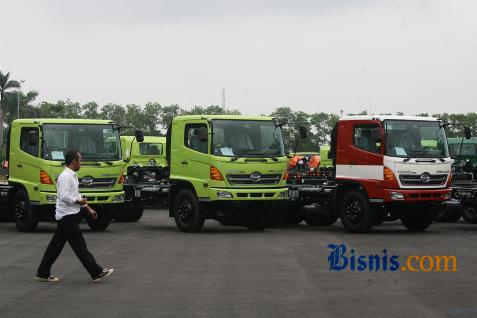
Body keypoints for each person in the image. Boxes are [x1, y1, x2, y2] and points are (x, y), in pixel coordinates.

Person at [36, 150, 114, 282]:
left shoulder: (72, 175)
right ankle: (96, 272)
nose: (81, 162)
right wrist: (79, 202)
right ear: (73, 161)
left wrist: (88, 208)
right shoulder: (65, 176)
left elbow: (75, 194)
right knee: (80, 246)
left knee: (55, 246)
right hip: (67, 216)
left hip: (67, 215)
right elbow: (64, 196)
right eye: (80, 160)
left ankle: (42, 272)